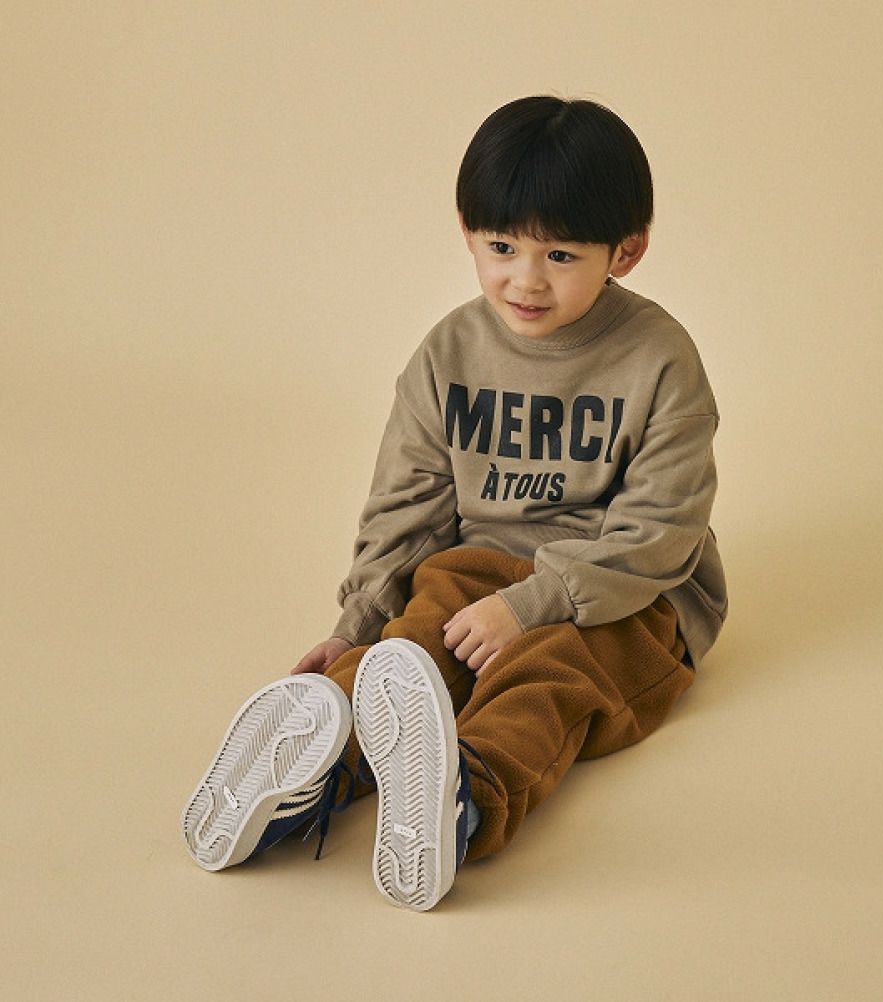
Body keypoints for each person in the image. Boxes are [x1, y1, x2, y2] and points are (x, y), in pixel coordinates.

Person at [181, 94, 728, 911]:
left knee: (549, 675)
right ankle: (310, 775)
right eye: (502, 247)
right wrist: (356, 626)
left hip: (630, 596)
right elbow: (406, 507)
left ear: (627, 250)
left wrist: (533, 605)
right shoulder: (448, 353)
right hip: (479, 569)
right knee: (411, 645)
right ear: (468, 232)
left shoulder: (660, 359)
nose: (525, 279)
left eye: (561, 255)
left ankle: (465, 797)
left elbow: (661, 530)